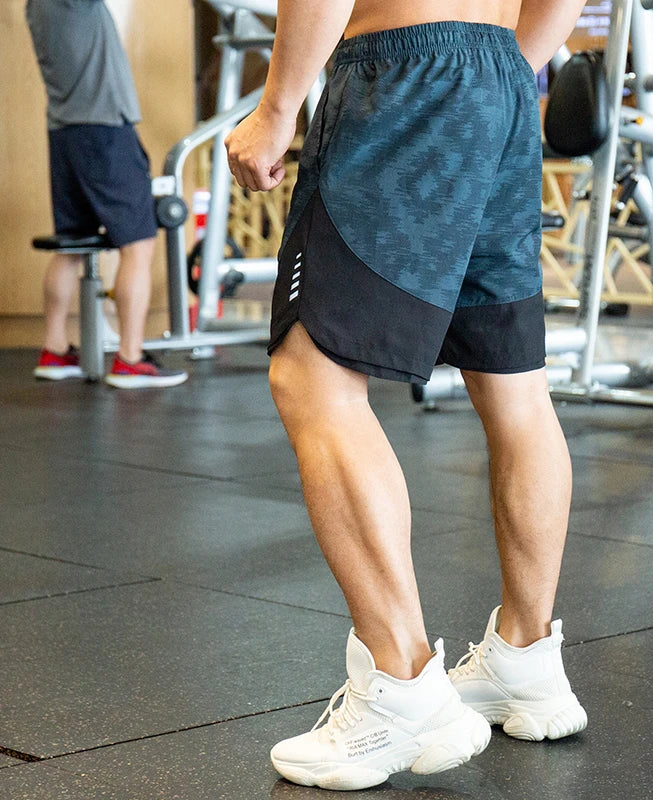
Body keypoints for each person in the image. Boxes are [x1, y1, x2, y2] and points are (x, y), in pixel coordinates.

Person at [226, 0, 587, 790]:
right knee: (515, 383)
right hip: (501, 74)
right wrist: (500, 69)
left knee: (311, 375)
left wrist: (277, 109)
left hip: (402, 71)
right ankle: (526, 659)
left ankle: (400, 687)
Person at [26, 0, 188, 389]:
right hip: (104, 130)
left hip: (64, 132)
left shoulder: (33, 6)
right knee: (138, 244)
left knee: (71, 243)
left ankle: (54, 350)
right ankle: (130, 359)